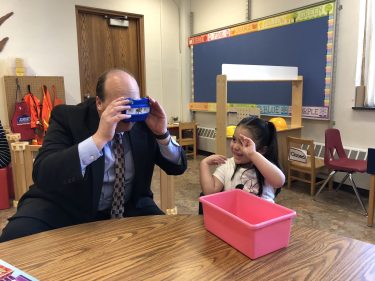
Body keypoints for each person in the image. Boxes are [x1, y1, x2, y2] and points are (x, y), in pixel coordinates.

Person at [0, 69, 187, 242]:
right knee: (15, 238)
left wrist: (162, 134)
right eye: (122, 105)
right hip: (65, 205)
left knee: (168, 239)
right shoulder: (68, 117)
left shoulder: (144, 121)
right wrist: (98, 139)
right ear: (99, 102)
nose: (130, 113)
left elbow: (177, 167)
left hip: (130, 206)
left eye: (135, 103)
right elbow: (43, 173)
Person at [200, 116, 284, 204]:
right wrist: (204, 164)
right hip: (235, 216)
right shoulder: (227, 165)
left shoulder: (265, 169)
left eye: (244, 143)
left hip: (263, 216)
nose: (235, 147)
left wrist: (252, 154)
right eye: (234, 139)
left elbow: (279, 182)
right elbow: (210, 192)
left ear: (262, 150)